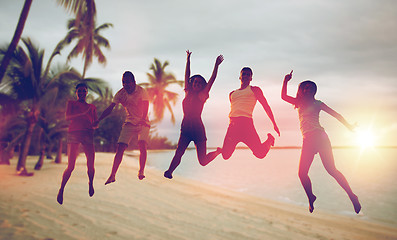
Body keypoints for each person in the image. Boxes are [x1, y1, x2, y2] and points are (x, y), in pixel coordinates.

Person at [281, 70, 361, 214]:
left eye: (311, 88)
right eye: (305, 87)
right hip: (307, 141)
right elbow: (283, 96)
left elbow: (336, 114)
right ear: (301, 90)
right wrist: (286, 81)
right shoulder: (298, 102)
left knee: (332, 170)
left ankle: (352, 195)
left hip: (320, 137)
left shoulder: (318, 103)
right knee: (302, 173)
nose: (308, 89)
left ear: (314, 91)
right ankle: (311, 197)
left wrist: (348, 126)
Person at [164, 50, 223, 179]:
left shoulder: (202, 96)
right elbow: (187, 75)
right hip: (185, 128)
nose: (196, 84)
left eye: (199, 83)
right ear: (192, 83)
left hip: (198, 130)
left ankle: (218, 152)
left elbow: (212, 80)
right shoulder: (187, 92)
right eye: (195, 82)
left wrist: (216, 65)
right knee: (179, 153)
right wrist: (188, 60)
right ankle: (169, 171)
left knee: (202, 161)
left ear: (202, 86)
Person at [96, 71, 150, 183]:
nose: (126, 85)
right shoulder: (120, 94)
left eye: (128, 82)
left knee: (142, 144)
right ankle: (112, 175)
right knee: (120, 148)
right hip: (129, 122)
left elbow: (146, 105)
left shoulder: (141, 91)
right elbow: (110, 108)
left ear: (134, 82)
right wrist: (98, 119)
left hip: (143, 121)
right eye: (124, 82)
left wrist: (143, 119)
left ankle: (141, 171)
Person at [220, 67, 280, 160]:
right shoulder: (232, 94)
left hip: (246, 124)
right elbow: (235, 109)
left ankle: (270, 139)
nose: (246, 76)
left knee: (260, 154)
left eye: (248, 75)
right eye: (244, 74)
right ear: (240, 76)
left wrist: (274, 124)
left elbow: (266, 106)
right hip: (233, 126)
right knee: (225, 155)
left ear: (251, 78)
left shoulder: (255, 90)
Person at [57, 83, 98, 205]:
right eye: (79, 91)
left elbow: (96, 123)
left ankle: (91, 183)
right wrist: (82, 114)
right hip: (74, 133)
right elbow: (67, 117)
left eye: (84, 91)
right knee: (71, 166)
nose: (82, 93)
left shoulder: (92, 107)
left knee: (90, 165)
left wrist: (95, 125)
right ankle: (62, 189)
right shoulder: (72, 104)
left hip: (88, 134)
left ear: (87, 92)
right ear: (76, 92)